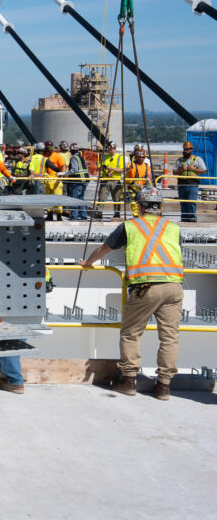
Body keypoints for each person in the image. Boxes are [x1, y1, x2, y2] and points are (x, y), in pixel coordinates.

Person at [80, 186, 183, 401]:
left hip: (145, 286)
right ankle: (164, 386)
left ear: (140, 206)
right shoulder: (172, 227)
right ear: (159, 207)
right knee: (170, 337)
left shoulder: (130, 226)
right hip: (174, 286)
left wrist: (87, 262)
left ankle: (128, 380)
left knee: (131, 333)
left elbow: (104, 248)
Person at [173, 141, 206, 222]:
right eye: (185, 149)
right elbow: (174, 172)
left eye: (188, 149)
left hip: (193, 183)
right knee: (183, 202)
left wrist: (193, 169)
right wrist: (181, 170)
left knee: (191, 202)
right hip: (182, 183)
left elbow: (204, 171)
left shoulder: (198, 160)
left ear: (191, 150)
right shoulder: (179, 160)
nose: (186, 151)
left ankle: (192, 218)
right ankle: (184, 218)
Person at [99, 142, 127, 219]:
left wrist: (113, 169)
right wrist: (102, 167)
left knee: (117, 198)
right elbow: (99, 168)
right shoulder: (104, 157)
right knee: (102, 197)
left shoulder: (120, 157)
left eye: (112, 149)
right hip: (105, 180)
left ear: (115, 149)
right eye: (109, 149)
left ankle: (117, 214)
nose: (110, 151)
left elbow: (122, 169)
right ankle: (99, 213)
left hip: (115, 180)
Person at [43, 141, 67, 220]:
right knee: (48, 198)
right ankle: (49, 215)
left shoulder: (57, 155)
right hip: (47, 179)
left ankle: (59, 215)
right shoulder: (44, 156)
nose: (49, 149)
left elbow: (63, 165)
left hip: (55, 179)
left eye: (50, 148)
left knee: (57, 197)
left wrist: (61, 175)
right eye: (47, 148)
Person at [66, 143, 89, 220]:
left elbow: (74, 169)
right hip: (84, 181)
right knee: (80, 199)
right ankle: (84, 216)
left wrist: (64, 174)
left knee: (74, 199)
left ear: (71, 151)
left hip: (77, 181)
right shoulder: (81, 158)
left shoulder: (73, 158)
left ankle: (74, 216)